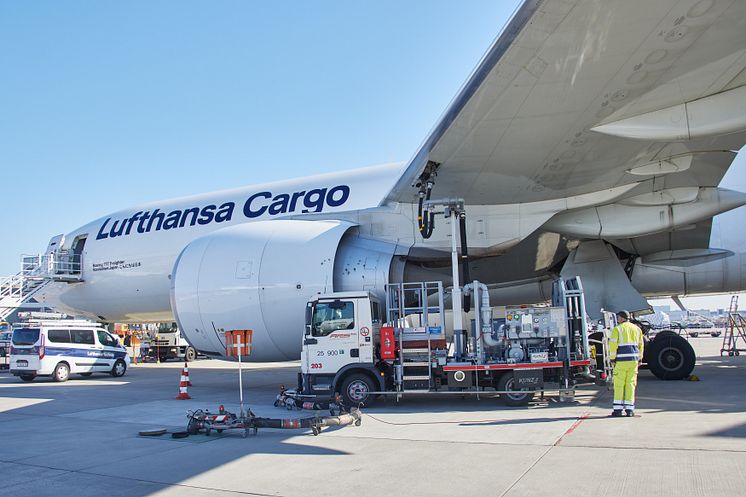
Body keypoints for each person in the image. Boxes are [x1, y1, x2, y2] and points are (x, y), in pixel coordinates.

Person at [609, 310, 644, 417]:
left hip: (621, 361)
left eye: (619, 317)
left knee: (619, 385)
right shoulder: (637, 329)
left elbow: (613, 346)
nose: (618, 319)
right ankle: (629, 410)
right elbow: (641, 345)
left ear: (622, 318)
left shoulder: (617, 329)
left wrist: (612, 359)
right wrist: (640, 359)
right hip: (633, 361)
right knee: (631, 384)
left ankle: (618, 410)